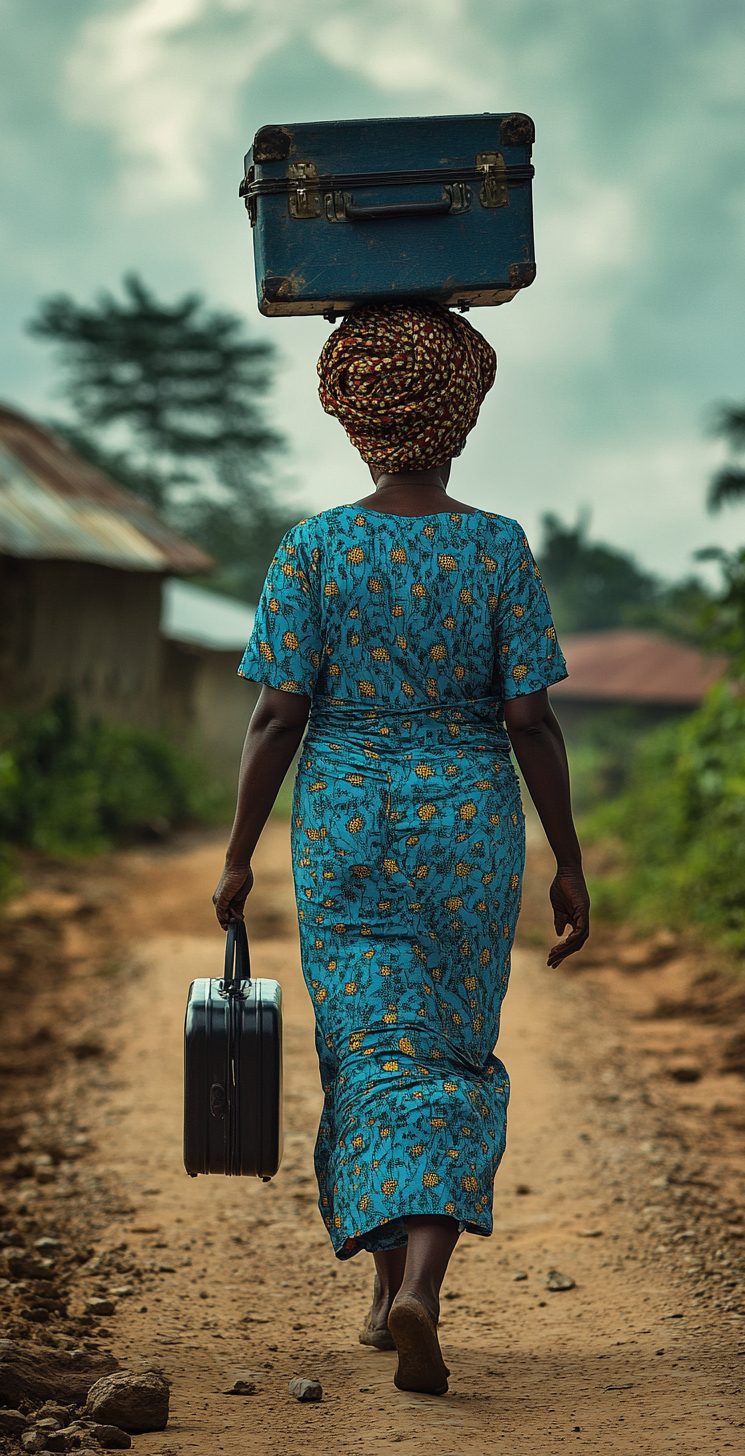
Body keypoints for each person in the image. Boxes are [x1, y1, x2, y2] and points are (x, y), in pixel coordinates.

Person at [213, 299, 590, 1396]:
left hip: (346, 830)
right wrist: (565, 857)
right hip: (470, 829)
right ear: (461, 417)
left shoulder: (313, 548)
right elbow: (531, 720)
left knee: (370, 1050)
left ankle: (384, 1294)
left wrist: (240, 850)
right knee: (450, 1049)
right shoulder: (497, 548)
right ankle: (421, 1281)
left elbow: (279, 715)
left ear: (355, 420)